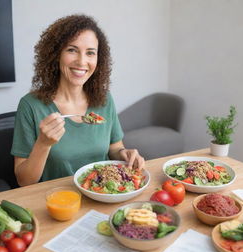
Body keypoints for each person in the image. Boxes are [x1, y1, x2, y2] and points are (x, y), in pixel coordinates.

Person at [11, 14, 145, 186]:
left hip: (103, 195)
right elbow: (24, 181)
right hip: (59, 202)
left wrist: (124, 153)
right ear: (56, 54)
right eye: (72, 50)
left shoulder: (104, 99)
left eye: (90, 53)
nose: (82, 61)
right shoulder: (31, 106)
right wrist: (43, 144)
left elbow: (114, 148)